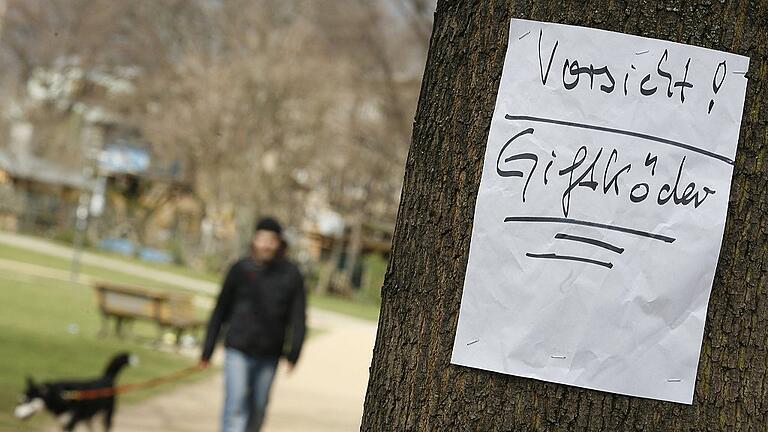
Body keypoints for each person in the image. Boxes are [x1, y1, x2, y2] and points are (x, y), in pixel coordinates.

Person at [199, 217, 306, 432]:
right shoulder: (239, 269)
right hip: (237, 349)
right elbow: (220, 310)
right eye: (261, 239)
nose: (265, 245)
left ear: (279, 243)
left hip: (269, 354)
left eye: (271, 240)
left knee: (257, 410)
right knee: (235, 406)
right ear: (254, 240)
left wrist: (294, 352)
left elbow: (298, 316)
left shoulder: (291, 275)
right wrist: (207, 350)